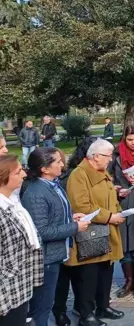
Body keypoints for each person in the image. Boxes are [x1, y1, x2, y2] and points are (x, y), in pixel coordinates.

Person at [21, 148, 88, 326]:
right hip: (46, 259)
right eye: (57, 161)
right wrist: (74, 227)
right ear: (44, 168)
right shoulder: (36, 193)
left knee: (45, 303)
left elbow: (54, 215)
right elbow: (42, 230)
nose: (62, 164)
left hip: (55, 255)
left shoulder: (54, 185)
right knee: (41, 306)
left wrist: (70, 217)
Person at [66, 138, 125, 326]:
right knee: (88, 276)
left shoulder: (101, 171)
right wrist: (110, 217)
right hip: (91, 234)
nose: (111, 160)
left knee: (106, 271)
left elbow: (104, 196)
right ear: (95, 156)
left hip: (107, 231)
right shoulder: (79, 174)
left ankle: (103, 305)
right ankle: (86, 314)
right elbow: (81, 205)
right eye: (108, 156)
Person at [52, 137, 98, 326]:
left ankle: (81, 306)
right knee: (64, 276)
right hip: (65, 232)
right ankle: (59, 310)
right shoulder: (71, 176)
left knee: (80, 272)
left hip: (78, 228)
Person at [0, 155, 43, 325]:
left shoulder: (13, 203)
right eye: (18, 172)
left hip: (19, 288)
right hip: (7, 294)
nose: (24, 174)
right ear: (4, 177)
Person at [107, 125, 134, 299]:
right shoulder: (116, 155)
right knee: (124, 244)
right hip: (122, 203)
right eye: (130, 139)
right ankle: (128, 280)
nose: (133, 143)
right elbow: (107, 178)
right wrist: (115, 189)